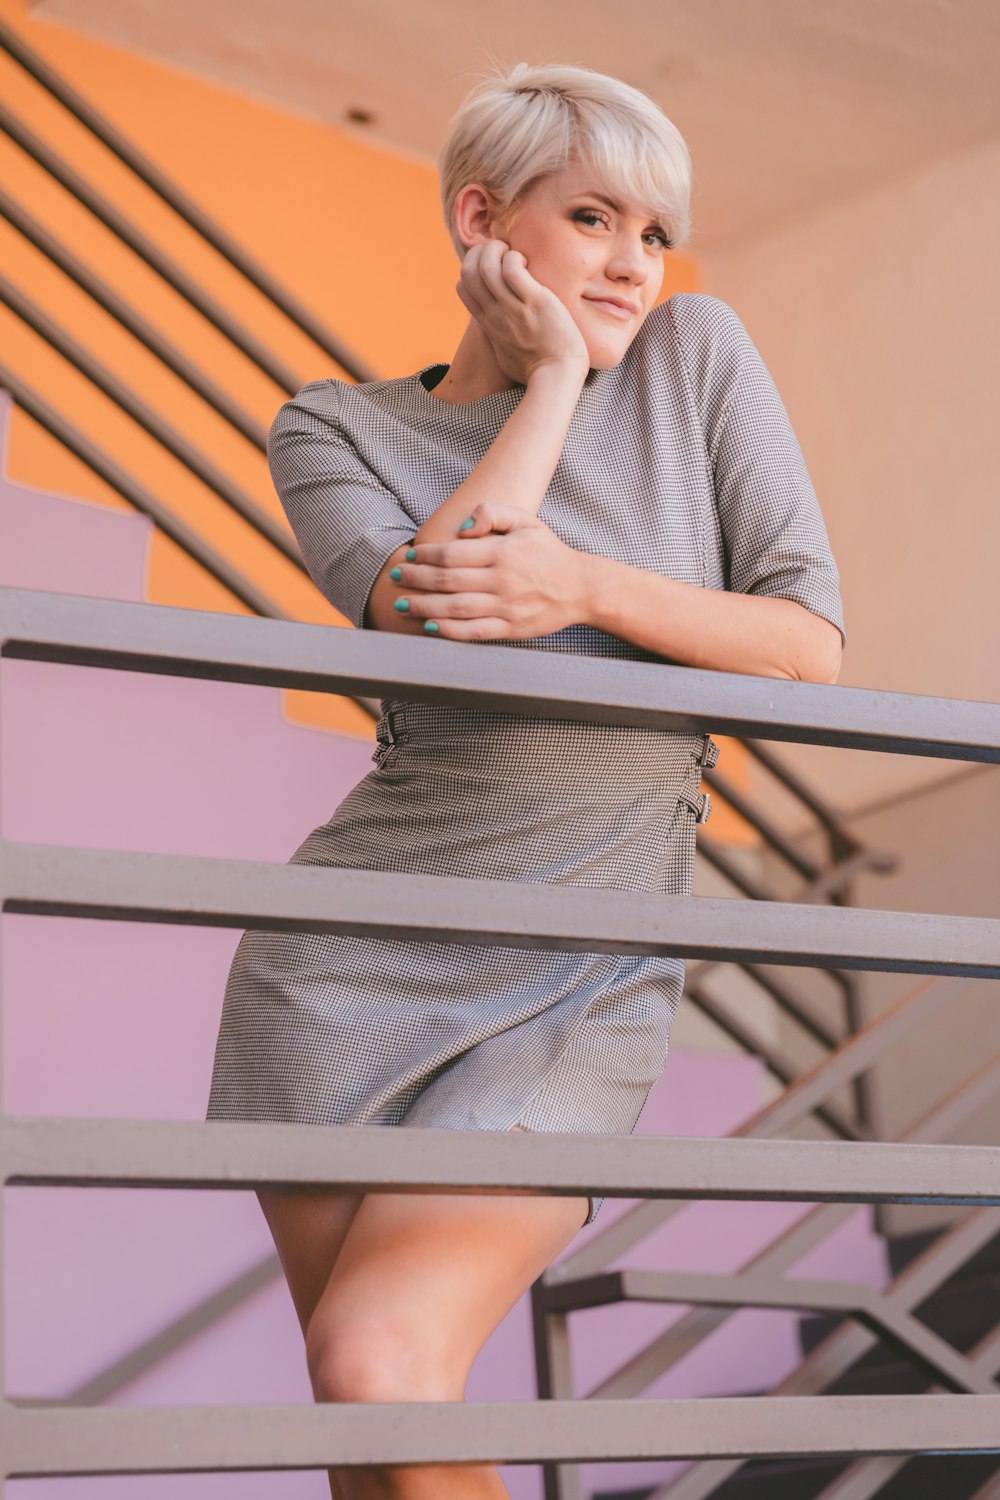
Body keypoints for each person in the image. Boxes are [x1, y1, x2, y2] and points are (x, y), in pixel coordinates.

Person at [206, 59, 846, 1499]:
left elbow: (808, 646)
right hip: (339, 968)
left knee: (381, 1362)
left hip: (580, 962)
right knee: (365, 1423)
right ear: (481, 220)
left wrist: (587, 584)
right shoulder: (333, 427)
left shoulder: (698, 360)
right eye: (593, 216)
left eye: (653, 230)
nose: (633, 262)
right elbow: (428, 617)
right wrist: (553, 377)